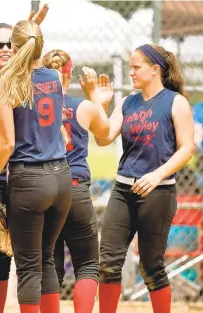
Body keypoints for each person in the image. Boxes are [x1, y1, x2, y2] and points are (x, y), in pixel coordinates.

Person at [0, 20, 72, 313]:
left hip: (29, 178)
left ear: (15, 47)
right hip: (62, 176)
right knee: (46, 259)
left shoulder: (6, 81)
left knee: (29, 265)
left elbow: (6, 144)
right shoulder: (56, 77)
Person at [96, 44, 195, 313]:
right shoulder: (128, 102)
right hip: (123, 189)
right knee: (108, 262)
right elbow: (103, 138)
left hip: (158, 191)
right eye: (130, 67)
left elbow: (187, 148)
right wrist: (98, 107)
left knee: (151, 266)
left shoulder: (175, 101)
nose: (131, 73)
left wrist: (156, 175)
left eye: (136, 67)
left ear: (155, 70)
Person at [42, 49, 113, 313]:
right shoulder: (82, 107)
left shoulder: (31, 107)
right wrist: (95, 95)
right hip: (74, 188)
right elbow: (104, 131)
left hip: (43, 188)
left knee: (49, 263)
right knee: (87, 265)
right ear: (69, 75)